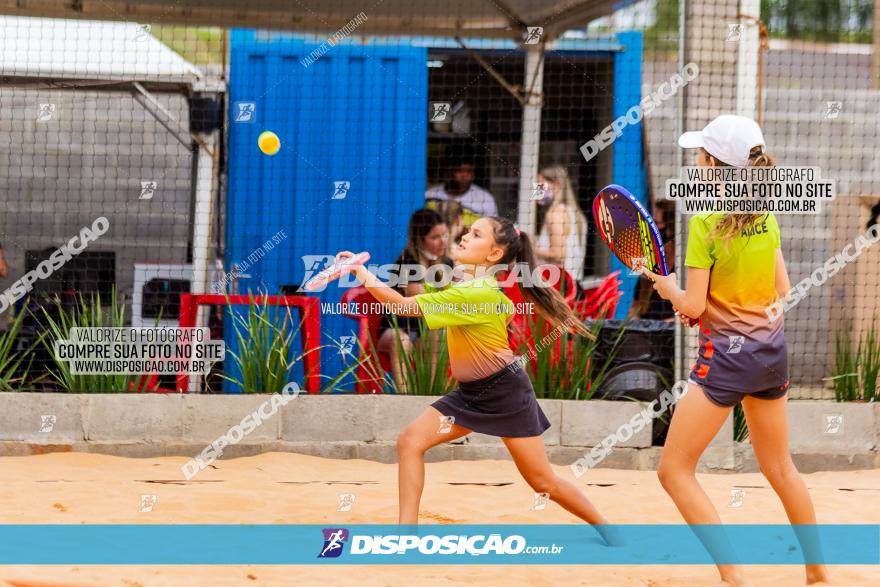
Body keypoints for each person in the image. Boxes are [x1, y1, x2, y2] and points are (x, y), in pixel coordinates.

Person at [334, 217, 617, 545]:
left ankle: (608, 529)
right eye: (468, 231)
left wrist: (361, 272)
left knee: (543, 482)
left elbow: (401, 306)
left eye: (476, 234)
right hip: (470, 393)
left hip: (505, 393)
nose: (464, 237)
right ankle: (406, 533)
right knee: (410, 442)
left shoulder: (475, 293)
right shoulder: (472, 288)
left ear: (494, 254)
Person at [642, 115, 830, 586]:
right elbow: (781, 289)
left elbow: (692, 303)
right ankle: (817, 572)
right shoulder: (766, 216)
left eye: (699, 156)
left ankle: (733, 576)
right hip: (771, 356)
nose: (696, 164)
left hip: (725, 361)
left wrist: (668, 290)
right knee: (781, 467)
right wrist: (712, 310)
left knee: (674, 471)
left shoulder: (705, 223)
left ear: (711, 166)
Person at [377, 209, 452, 393]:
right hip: (395, 329)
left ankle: (431, 396)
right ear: (420, 239)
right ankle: (406, 398)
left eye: (445, 235)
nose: (442, 241)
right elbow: (419, 300)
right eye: (435, 237)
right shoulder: (407, 261)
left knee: (439, 337)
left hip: (423, 333)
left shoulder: (447, 263)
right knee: (401, 340)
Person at [533, 165, 588, 285]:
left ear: (557, 184)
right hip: (573, 284)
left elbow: (559, 255)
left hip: (559, 287)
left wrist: (530, 248)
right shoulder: (575, 213)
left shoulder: (555, 213)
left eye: (540, 184)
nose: (537, 190)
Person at [425, 155, 497, 230]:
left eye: (469, 171)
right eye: (459, 170)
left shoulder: (485, 198)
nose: (464, 176)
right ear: (449, 171)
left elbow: (492, 229)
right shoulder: (430, 195)